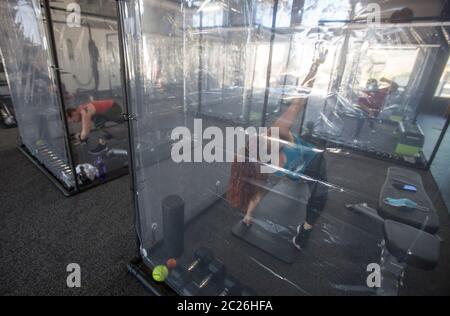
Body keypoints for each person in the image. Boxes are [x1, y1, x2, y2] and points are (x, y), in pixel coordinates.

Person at [227, 57, 329, 251]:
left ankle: (305, 231)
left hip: (312, 161)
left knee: (320, 195)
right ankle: (298, 176)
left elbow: (299, 101)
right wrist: (248, 215)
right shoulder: (262, 167)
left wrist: (314, 67)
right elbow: (259, 190)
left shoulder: (277, 132)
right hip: (296, 171)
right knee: (294, 179)